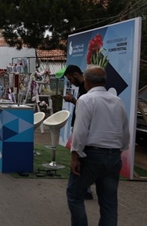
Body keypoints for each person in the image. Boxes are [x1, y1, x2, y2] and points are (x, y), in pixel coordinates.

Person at [67, 65, 130, 226]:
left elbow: (80, 132)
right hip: (113, 156)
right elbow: (125, 131)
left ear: (86, 82)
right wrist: (118, 150)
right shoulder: (117, 101)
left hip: (91, 155)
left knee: (75, 196)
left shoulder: (86, 100)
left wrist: (75, 156)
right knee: (109, 203)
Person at [63, 65, 93, 200]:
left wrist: (72, 100)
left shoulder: (86, 89)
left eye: (70, 78)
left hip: (83, 128)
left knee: (82, 159)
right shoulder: (82, 88)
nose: (70, 82)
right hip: (79, 125)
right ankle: (86, 188)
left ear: (76, 74)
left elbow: (84, 107)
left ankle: (84, 189)